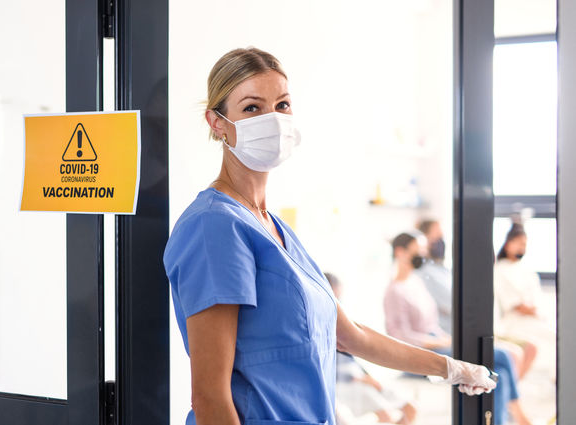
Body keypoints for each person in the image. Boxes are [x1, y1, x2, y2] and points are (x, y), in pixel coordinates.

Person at [163, 47, 496, 425]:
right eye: (252, 108)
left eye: (282, 105)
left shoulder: (272, 227)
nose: (272, 120)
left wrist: (451, 368)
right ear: (217, 122)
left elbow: (352, 336)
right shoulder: (214, 227)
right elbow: (209, 396)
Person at [385, 232, 531, 425]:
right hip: (420, 354)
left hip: (438, 344)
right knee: (503, 356)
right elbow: (401, 337)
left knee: (501, 375)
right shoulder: (394, 291)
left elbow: (432, 325)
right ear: (400, 252)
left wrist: (448, 338)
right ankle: (519, 415)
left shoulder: (416, 283)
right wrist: (442, 341)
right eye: (416, 251)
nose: (422, 255)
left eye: (422, 250)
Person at [326, 273, 417, 425]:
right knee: (385, 415)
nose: (338, 304)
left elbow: (351, 357)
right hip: (343, 383)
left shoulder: (342, 324)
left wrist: (368, 377)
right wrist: (358, 379)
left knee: (410, 407)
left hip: (358, 377)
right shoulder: (321, 326)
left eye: (339, 298)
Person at [494, 222, 554, 378]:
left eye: (525, 244)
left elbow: (537, 301)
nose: (522, 248)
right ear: (508, 245)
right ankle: (514, 389)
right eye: (519, 243)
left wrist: (535, 311)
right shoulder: (500, 270)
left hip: (533, 320)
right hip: (513, 323)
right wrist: (531, 310)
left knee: (557, 336)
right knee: (550, 340)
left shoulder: (528, 272)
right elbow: (514, 305)